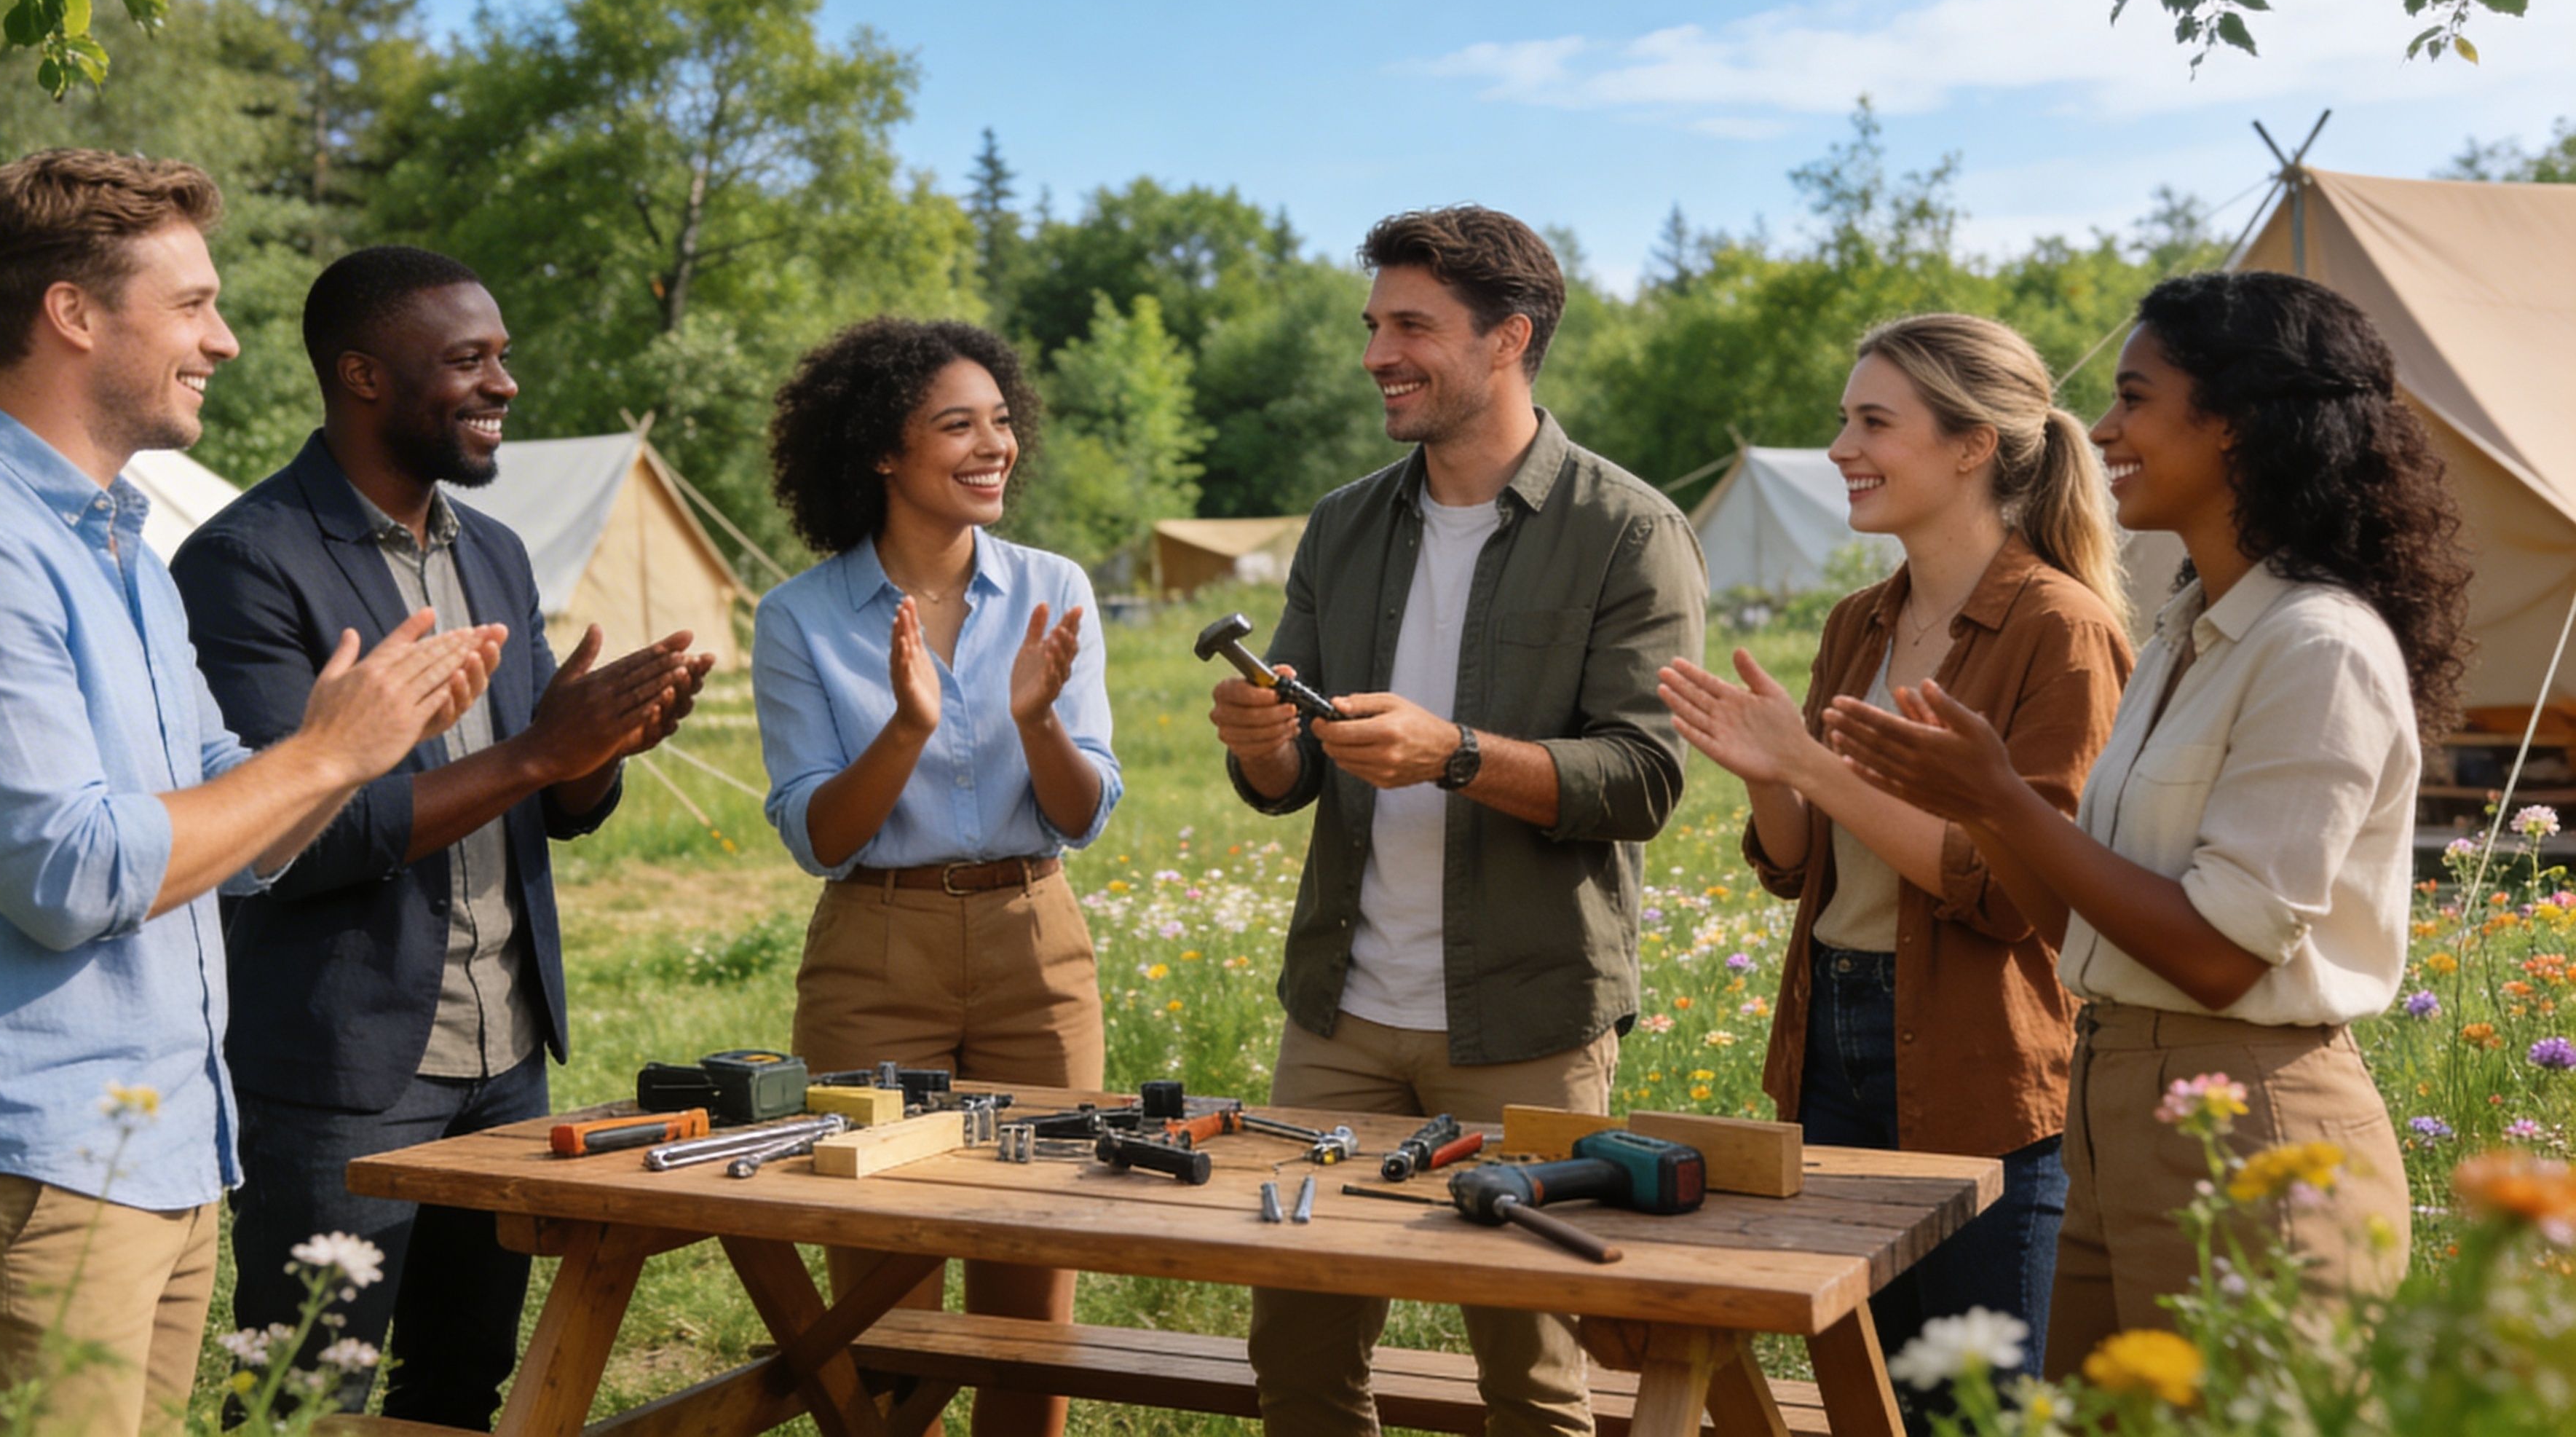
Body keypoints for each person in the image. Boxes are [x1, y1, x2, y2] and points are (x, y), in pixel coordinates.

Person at [0, 151, 501, 1437]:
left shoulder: (120, 545)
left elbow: (228, 830)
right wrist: (324, 757)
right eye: (191, 304)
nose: (227, 340)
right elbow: (72, 876)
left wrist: (350, 746)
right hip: (36, 1164)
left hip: (169, 1148)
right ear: (75, 315)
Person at [1825, 271, 2456, 1375]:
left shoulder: (2317, 645)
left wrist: (1998, 801)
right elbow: (2079, 927)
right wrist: (1969, 806)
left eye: (2134, 397)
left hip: (2249, 1122)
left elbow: (2217, 956)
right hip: (2114, 1108)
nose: (2102, 428)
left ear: (2237, 426)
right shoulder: (2181, 635)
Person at [169, 246, 711, 1426]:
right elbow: (292, 833)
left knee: (463, 1387)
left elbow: (548, 804)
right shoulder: (245, 564)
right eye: (469, 360)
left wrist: (592, 756)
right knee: (309, 1397)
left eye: (502, 356)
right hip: (341, 1069)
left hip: (506, 1055)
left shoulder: (497, 553)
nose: (505, 384)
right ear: (363, 376)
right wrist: (534, 755)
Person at [1207, 206, 1705, 1437]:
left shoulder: (1628, 530)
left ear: (1509, 339)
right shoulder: (1343, 524)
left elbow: (1644, 778)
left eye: (1411, 326)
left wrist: (1459, 755)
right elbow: (1293, 786)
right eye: (1374, 324)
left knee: (1530, 1374)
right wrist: (1266, 752)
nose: (1378, 351)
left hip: (1527, 1023)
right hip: (1342, 1017)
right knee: (1301, 1349)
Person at [1656, 313, 2133, 1407]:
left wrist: (1816, 773)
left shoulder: (2060, 629)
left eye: (1874, 421)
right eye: (1842, 421)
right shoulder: (1859, 623)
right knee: (1867, 1394)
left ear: (1972, 446)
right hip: (1832, 1042)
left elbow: (2018, 893)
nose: (1839, 449)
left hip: (1982, 1064)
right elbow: (1797, 866)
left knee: (1975, 1408)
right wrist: (1766, 772)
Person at [752, 318, 1121, 1437]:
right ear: (880, 451)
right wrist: (908, 728)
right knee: (885, 1288)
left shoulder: (1056, 588)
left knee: (1033, 1274)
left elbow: (1085, 810)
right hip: (876, 953)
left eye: (1001, 423)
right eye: (956, 426)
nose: (992, 446)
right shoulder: (799, 618)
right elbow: (820, 834)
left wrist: (1038, 720)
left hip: (1034, 943)